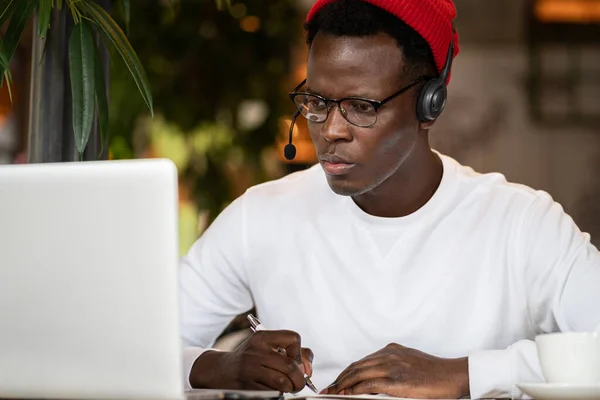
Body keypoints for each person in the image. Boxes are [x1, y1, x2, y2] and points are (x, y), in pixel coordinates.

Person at [178, 0, 600, 398]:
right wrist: (219, 367)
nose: (330, 130)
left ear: (429, 104)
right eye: (317, 102)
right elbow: (130, 347)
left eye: (362, 106)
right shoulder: (261, 215)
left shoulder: (522, 223)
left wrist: (463, 374)